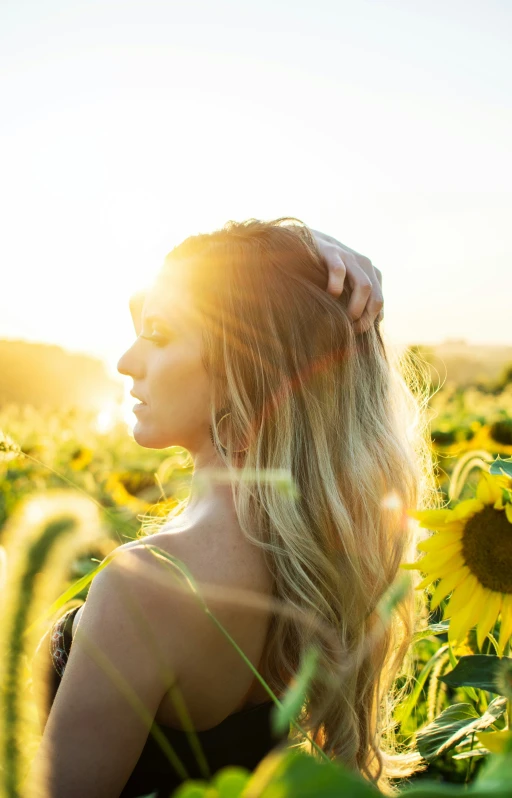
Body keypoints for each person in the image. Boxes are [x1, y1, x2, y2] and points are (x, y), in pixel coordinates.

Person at [28, 218, 432, 797]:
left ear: (247, 362)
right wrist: (298, 253)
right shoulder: (310, 557)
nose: (125, 361)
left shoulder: (146, 584)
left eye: (159, 335)